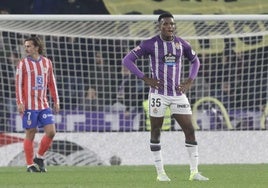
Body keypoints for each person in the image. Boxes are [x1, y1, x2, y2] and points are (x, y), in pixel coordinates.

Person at [122, 13, 209, 181]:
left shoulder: (181, 43)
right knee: (156, 131)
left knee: (190, 130)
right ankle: (161, 173)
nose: (170, 27)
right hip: (158, 95)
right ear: (159, 26)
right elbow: (127, 60)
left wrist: (189, 81)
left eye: (172, 24)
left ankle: (194, 172)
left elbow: (196, 61)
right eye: (166, 24)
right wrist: (145, 78)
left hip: (178, 94)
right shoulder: (149, 44)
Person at [15, 36, 60, 172]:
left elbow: (52, 83)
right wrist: (20, 102)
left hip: (43, 105)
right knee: (31, 133)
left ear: (36, 47)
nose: (26, 48)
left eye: (29, 46)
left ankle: (39, 157)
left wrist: (56, 100)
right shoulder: (23, 63)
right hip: (28, 106)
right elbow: (18, 84)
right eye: (26, 46)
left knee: (51, 132)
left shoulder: (47, 62)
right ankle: (30, 165)